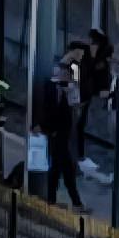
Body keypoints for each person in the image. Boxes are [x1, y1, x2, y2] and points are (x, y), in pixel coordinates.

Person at [31, 59, 84, 209]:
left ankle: (67, 201)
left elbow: (73, 111)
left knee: (63, 168)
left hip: (63, 134)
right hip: (56, 134)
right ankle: (70, 201)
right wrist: (43, 126)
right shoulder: (51, 89)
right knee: (61, 168)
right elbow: (50, 112)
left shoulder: (70, 90)